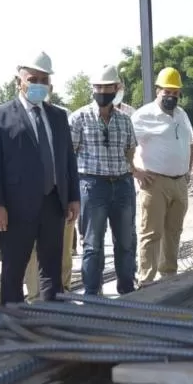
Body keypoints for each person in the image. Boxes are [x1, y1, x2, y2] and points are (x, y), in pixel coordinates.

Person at [0, 52, 80, 305]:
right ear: (19, 81)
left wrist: (73, 198)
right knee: (14, 270)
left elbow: (68, 159)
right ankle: (12, 324)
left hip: (53, 203)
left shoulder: (58, 116)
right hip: (16, 208)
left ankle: (50, 320)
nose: (38, 84)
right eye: (32, 78)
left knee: (52, 269)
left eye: (43, 79)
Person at [69, 65, 138, 295]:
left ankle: (127, 289)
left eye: (106, 87)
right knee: (92, 244)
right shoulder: (78, 118)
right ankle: (92, 294)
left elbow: (130, 151)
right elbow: (71, 154)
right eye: (97, 87)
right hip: (92, 185)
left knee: (126, 242)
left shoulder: (125, 121)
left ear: (116, 88)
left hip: (122, 184)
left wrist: (129, 172)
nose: (101, 91)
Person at [131, 67, 193, 286]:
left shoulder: (182, 114)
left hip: (180, 182)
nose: (171, 96)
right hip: (155, 182)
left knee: (173, 232)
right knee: (151, 233)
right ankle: (146, 280)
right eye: (167, 91)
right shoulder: (143, 116)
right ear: (157, 90)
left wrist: (188, 169)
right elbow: (126, 145)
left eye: (176, 92)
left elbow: (192, 143)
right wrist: (136, 171)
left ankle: (169, 275)